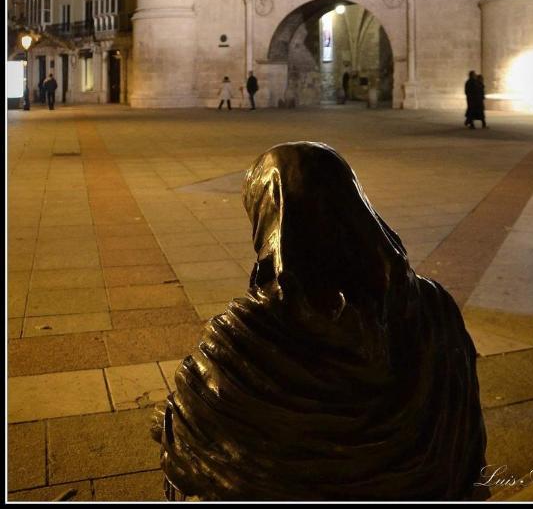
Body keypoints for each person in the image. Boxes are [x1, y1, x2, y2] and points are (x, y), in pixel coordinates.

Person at [152, 142, 487, 502]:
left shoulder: (242, 343)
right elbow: (468, 451)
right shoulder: (435, 310)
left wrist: (171, 421)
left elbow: (204, 445)